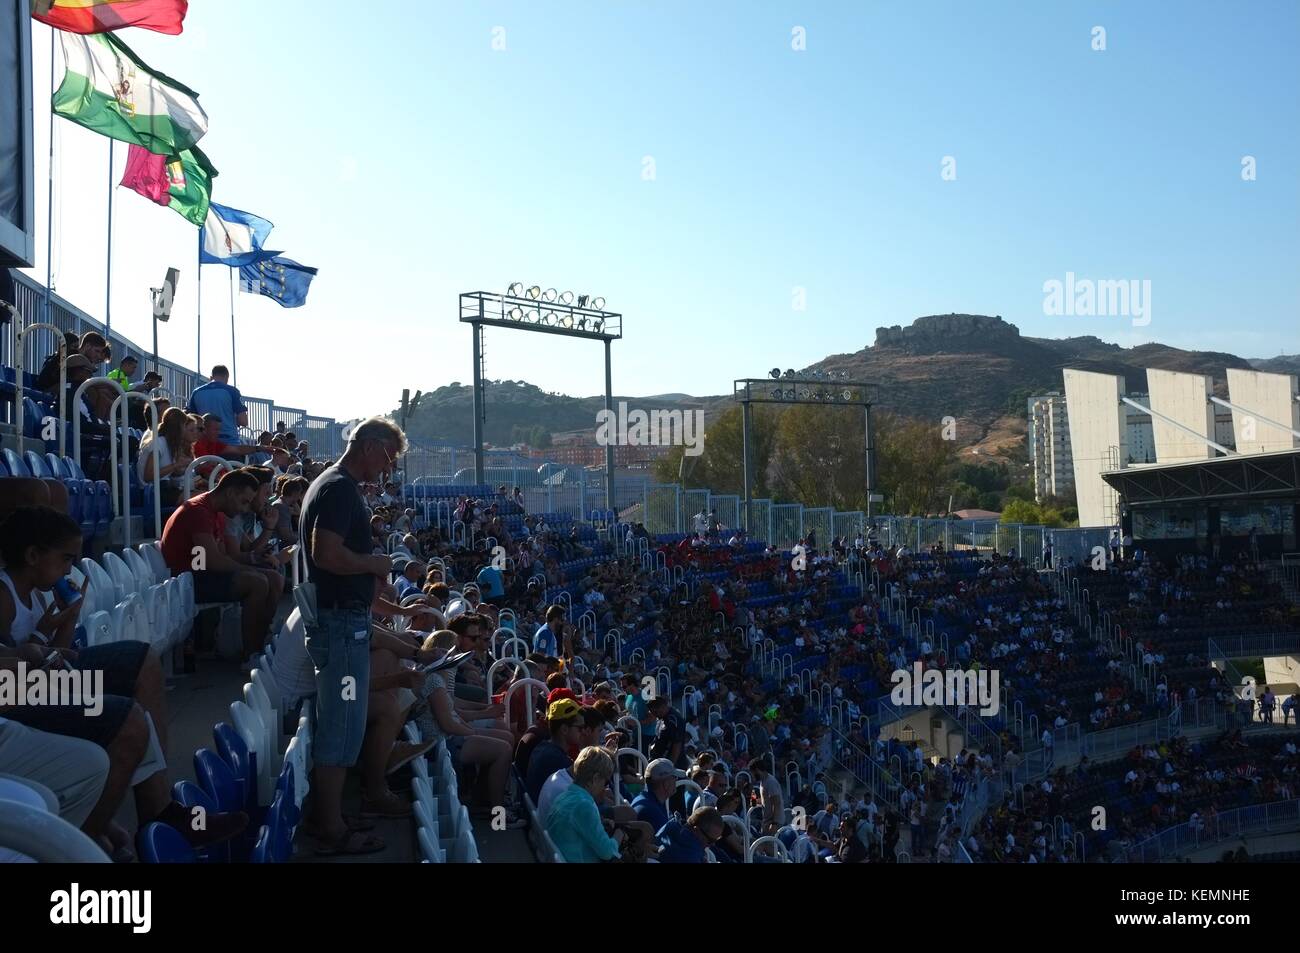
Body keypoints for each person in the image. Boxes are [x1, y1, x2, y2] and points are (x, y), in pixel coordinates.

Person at [298, 417, 405, 855]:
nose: (388, 468)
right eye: (389, 457)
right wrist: (374, 565)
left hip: (342, 618)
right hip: (340, 623)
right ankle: (330, 829)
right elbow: (327, 554)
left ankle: (334, 815)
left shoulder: (331, 483)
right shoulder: (340, 488)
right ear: (370, 446)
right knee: (341, 727)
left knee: (343, 722)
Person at [159, 468, 279, 662]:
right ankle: (251, 655)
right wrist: (252, 569)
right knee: (257, 582)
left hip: (202, 575)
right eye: (244, 501)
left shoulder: (214, 512)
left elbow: (223, 556)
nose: (244, 509)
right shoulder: (198, 511)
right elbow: (213, 560)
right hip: (188, 582)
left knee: (274, 578)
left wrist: (255, 561)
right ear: (230, 493)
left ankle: (262, 642)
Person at [545, 745, 625, 863]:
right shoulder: (583, 806)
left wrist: (599, 823)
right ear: (595, 778)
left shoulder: (563, 797)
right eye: (606, 782)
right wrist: (620, 833)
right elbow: (608, 852)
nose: (605, 787)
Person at [137, 407, 196, 505]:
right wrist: (176, 465)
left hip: (163, 488)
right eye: (184, 426)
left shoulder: (168, 444)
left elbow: (169, 473)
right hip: (152, 492)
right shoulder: (158, 444)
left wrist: (187, 467)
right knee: (200, 497)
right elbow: (148, 476)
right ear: (178, 428)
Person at [186, 365, 248, 451]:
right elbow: (243, 421)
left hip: (204, 444)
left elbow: (190, 417)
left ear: (211, 377)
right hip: (228, 443)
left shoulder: (196, 392)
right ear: (226, 377)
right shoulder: (232, 391)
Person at [657, 806, 726, 863]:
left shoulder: (670, 826)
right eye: (710, 840)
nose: (712, 844)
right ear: (696, 831)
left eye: (716, 840)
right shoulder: (690, 855)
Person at [631, 757, 684, 832]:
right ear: (666, 784)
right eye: (674, 777)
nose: (676, 780)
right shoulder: (651, 811)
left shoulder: (649, 801)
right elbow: (663, 841)